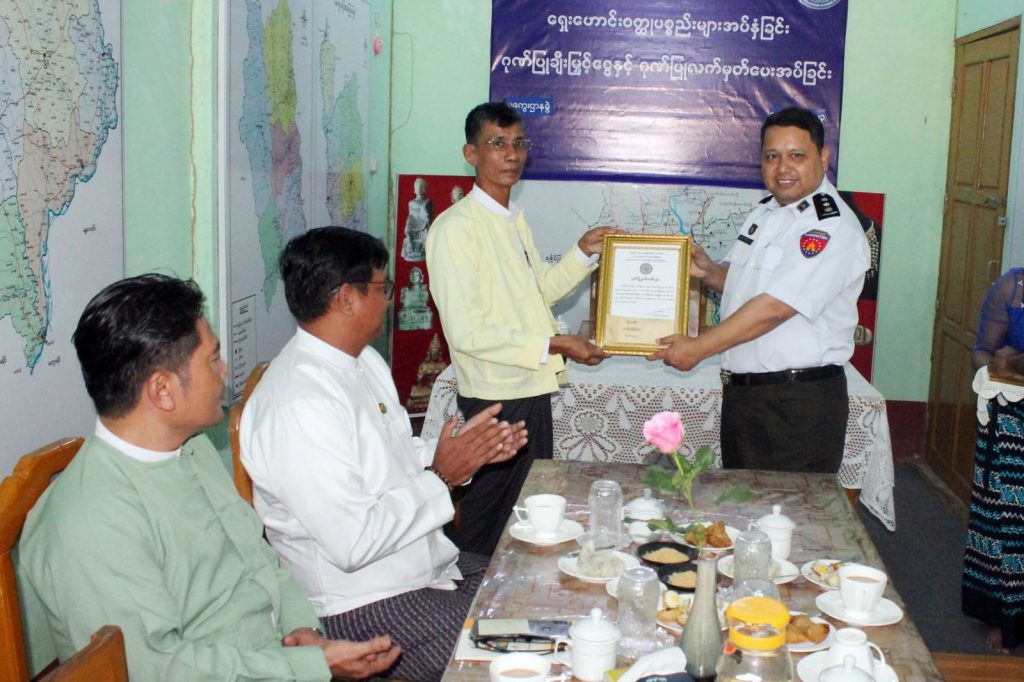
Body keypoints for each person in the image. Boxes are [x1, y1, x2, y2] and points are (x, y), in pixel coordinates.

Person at [17, 274, 400, 681]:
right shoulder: (93, 520)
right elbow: (155, 669)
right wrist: (310, 665)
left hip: (276, 659)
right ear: (163, 391)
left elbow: (260, 560)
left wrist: (304, 631)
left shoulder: (191, 447)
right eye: (212, 359)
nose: (224, 370)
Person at [240, 226, 528, 681]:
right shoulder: (298, 402)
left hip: (421, 568)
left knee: (535, 587)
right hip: (361, 603)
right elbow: (352, 543)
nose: (390, 300)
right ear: (346, 299)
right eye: (383, 288)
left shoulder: (361, 360)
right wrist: (442, 477)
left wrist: (462, 452)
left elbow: (393, 453)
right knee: (520, 661)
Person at [426, 102, 615, 555]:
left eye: (518, 143)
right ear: (471, 154)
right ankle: (464, 591)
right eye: (497, 143)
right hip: (495, 398)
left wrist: (583, 251)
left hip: (529, 387)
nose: (511, 154)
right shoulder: (455, 228)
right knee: (485, 518)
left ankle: (511, 589)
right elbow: (467, 332)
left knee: (528, 509)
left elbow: (537, 294)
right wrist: (555, 343)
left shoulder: (510, 218)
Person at [649, 107, 870, 473]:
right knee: (742, 503)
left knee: (789, 507)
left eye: (796, 155)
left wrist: (699, 348)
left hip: (795, 404)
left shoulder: (829, 227)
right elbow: (750, 286)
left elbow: (775, 308)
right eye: (772, 156)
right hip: (747, 399)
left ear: (823, 158)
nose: (783, 168)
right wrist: (711, 273)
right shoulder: (766, 213)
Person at [962, 267, 1024, 653]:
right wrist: (998, 367)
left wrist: (1012, 360)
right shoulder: (1012, 287)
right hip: (1013, 421)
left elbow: (1007, 358)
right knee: (1008, 524)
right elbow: (983, 351)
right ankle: (1007, 617)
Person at [401, 177, 433, 261]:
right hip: (413, 225)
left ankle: (422, 250)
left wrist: (428, 223)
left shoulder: (428, 202)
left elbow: (430, 216)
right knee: (408, 229)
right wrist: (408, 224)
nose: (418, 188)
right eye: (416, 186)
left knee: (427, 234)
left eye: (421, 186)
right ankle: (412, 247)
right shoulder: (411, 203)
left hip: (424, 225)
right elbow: (411, 216)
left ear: (425, 189)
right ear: (414, 189)